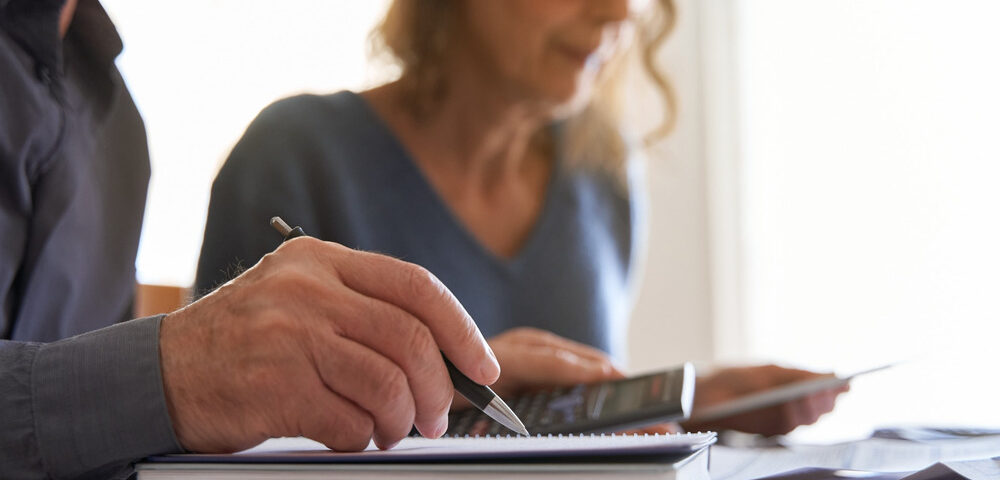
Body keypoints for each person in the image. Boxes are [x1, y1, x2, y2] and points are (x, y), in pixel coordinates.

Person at [196, 0, 846, 437]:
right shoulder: (294, 158)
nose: (618, 13)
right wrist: (447, 387)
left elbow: (553, 436)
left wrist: (680, 399)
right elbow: (228, 439)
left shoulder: (605, 176)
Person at [0, 1, 502, 478]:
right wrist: (177, 375)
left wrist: (404, 376)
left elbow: (93, 451)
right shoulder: (287, 148)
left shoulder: (115, 122)